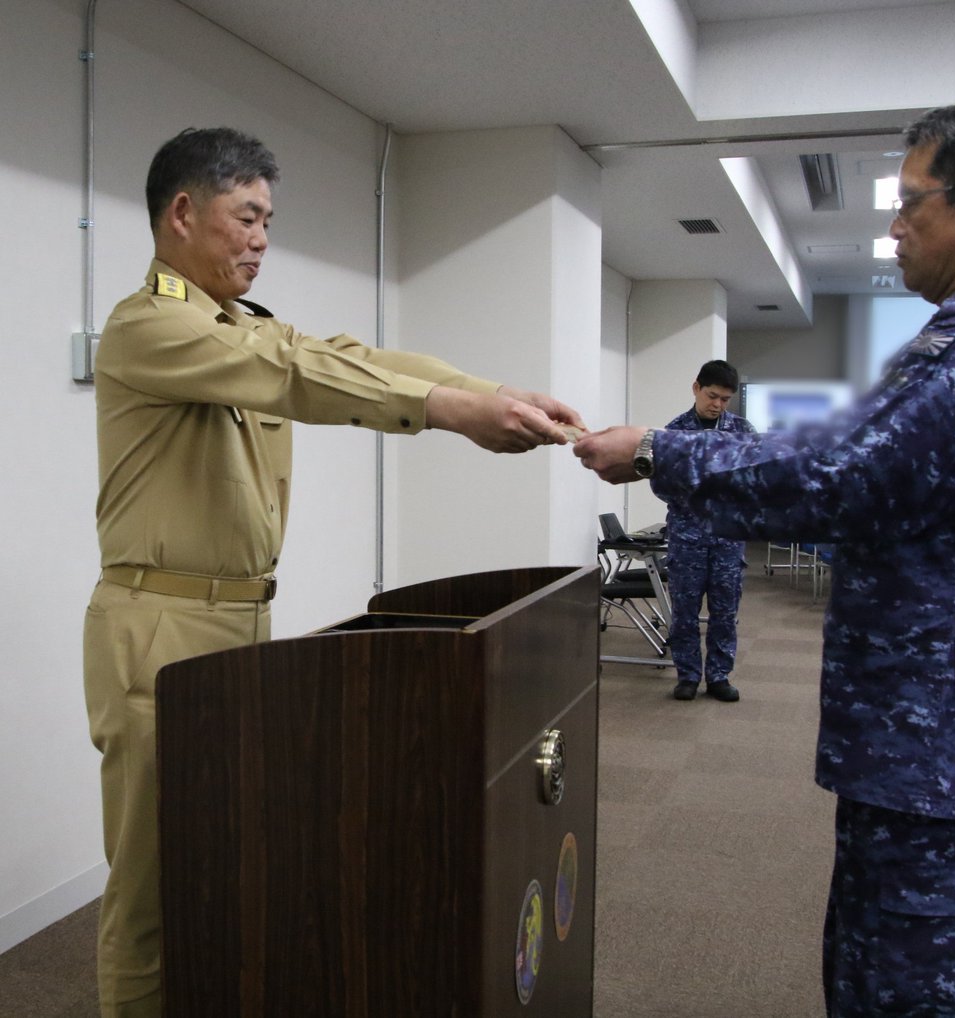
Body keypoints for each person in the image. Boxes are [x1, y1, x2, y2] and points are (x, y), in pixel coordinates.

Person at [576, 101, 955, 1015]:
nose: (893, 227)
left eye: (909, 202)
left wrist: (656, 451)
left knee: (917, 989)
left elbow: (847, 474)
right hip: (934, 738)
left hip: (945, 750)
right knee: (874, 970)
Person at [83, 126, 583, 1018]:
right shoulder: (148, 325)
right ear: (184, 213)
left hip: (238, 622)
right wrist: (451, 412)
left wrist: (492, 394)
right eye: (247, 218)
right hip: (158, 627)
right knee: (153, 883)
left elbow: (358, 359)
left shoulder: (238, 325)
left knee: (222, 866)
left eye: (269, 221)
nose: (261, 240)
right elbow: (295, 371)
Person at [662, 359, 756, 702]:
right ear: (696, 388)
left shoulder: (742, 431)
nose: (717, 404)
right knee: (684, 612)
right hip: (687, 537)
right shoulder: (674, 431)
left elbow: (755, 481)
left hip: (728, 539)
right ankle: (687, 675)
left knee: (725, 612)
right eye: (712, 396)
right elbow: (663, 485)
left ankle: (719, 675)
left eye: (725, 399)